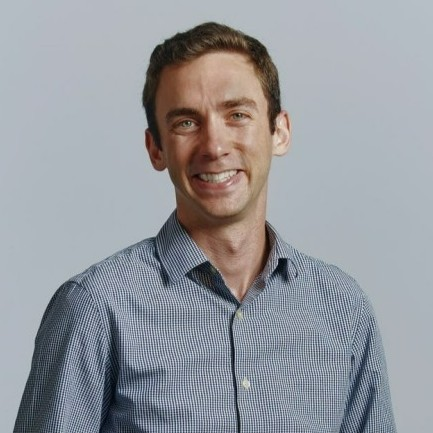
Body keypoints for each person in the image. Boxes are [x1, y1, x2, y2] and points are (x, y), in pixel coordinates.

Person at [14, 22, 397, 432]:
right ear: (156, 149)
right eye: (186, 123)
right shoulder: (96, 308)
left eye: (237, 115)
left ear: (279, 131)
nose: (214, 146)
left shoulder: (343, 308)